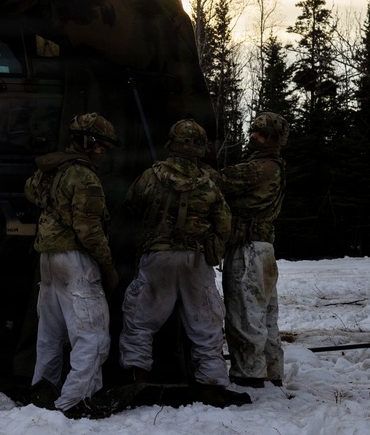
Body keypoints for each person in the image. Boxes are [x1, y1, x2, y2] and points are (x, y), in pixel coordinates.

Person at [118, 119, 233, 406]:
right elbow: (224, 223)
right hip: (195, 260)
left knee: (140, 322)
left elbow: (131, 207)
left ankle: (137, 380)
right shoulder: (209, 182)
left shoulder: (151, 176)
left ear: (173, 143)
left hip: (156, 257)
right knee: (205, 324)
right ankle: (211, 386)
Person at [25, 112, 120, 417]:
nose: (103, 151)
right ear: (88, 142)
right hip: (75, 260)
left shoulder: (53, 168)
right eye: (101, 145)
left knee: (49, 336)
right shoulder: (84, 176)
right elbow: (88, 229)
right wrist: (107, 265)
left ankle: (42, 392)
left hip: (48, 258)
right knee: (93, 336)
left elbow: (30, 190)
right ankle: (75, 401)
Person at [216, 112, 289, 389]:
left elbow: (221, 181)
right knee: (266, 316)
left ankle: (250, 376)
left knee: (244, 315)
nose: (254, 137)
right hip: (262, 249)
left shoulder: (262, 167)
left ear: (274, 139)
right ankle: (271, 372)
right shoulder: (272, 165)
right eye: (255, 131)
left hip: (248, 250)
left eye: (262, 134)